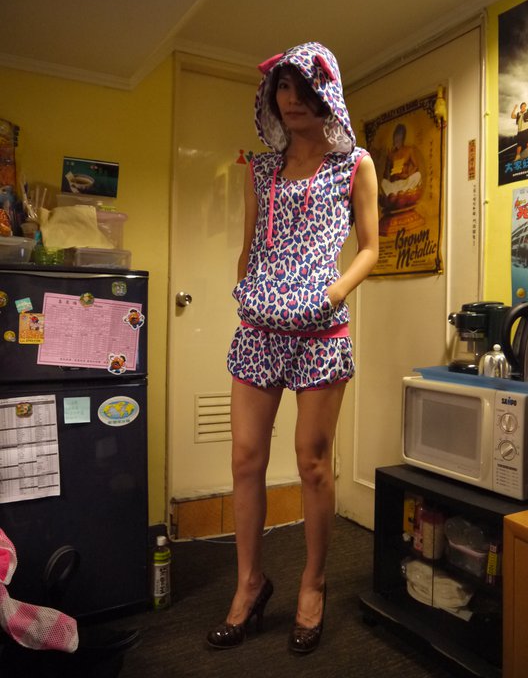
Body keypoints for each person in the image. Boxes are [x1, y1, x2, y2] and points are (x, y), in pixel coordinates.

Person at [206, 42, 379, 654]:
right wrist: (244, 289)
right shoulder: (259, 169)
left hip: (319, 331)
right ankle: (249, 584)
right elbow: (250, 244)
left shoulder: (354, 164)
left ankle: (314, 582)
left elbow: (371, 248)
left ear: (325, 94)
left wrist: (332, 293)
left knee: (312, 462)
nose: (292, 100)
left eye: (303, 89)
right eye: (283, 88)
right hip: (259, 327)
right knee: (245, 459)